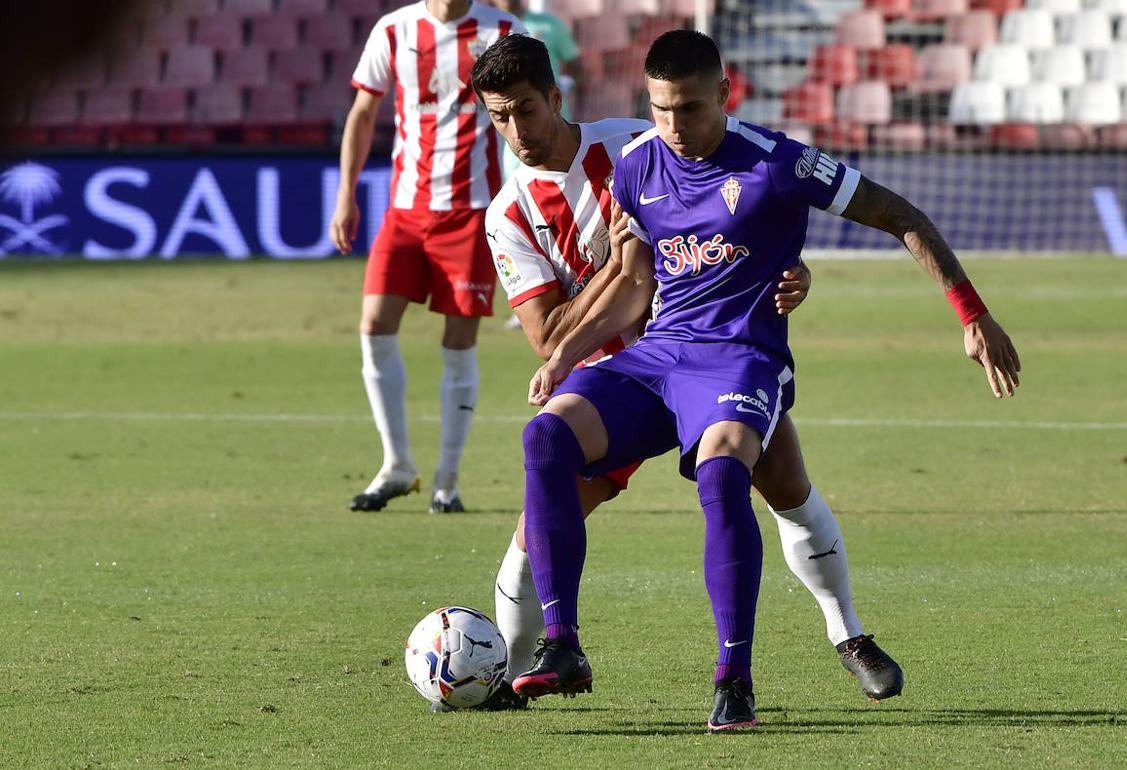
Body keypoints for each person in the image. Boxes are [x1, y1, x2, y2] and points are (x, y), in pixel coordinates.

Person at [516, 30, 1021, 731]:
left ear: (726, 95)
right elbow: (633, 280)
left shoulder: (779, 162)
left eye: (690, 109)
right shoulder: (636, 166)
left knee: (731, 476)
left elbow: (898, 214)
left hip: (742, 360)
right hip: (661, 355)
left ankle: (735, 679)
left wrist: (972, 315)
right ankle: (562, 644)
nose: (673, 127)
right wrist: (565, 352)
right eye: (660, 110)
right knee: (545, 438)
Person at [468, 34, 903, 712]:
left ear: (555, 99)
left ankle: (847, 635)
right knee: (536, 526)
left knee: (786, 490)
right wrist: (616, 275)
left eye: (526, 109)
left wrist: (789, 269)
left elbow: (735, 203)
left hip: (719, 354)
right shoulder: (507, 217)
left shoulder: (641, 140)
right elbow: (549, 335)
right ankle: (513, 675)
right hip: (618, 380)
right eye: (499, 117)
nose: (516, 130)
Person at [330, 0, 525, 513]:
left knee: (459, 340)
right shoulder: (394, 29)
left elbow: (537, 112)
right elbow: (363, 111)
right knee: (374, 325)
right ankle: (396, 465)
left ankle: (447, 479)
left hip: (472, 211)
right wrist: (345, 193)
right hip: (405, 209)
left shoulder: (503, 29)